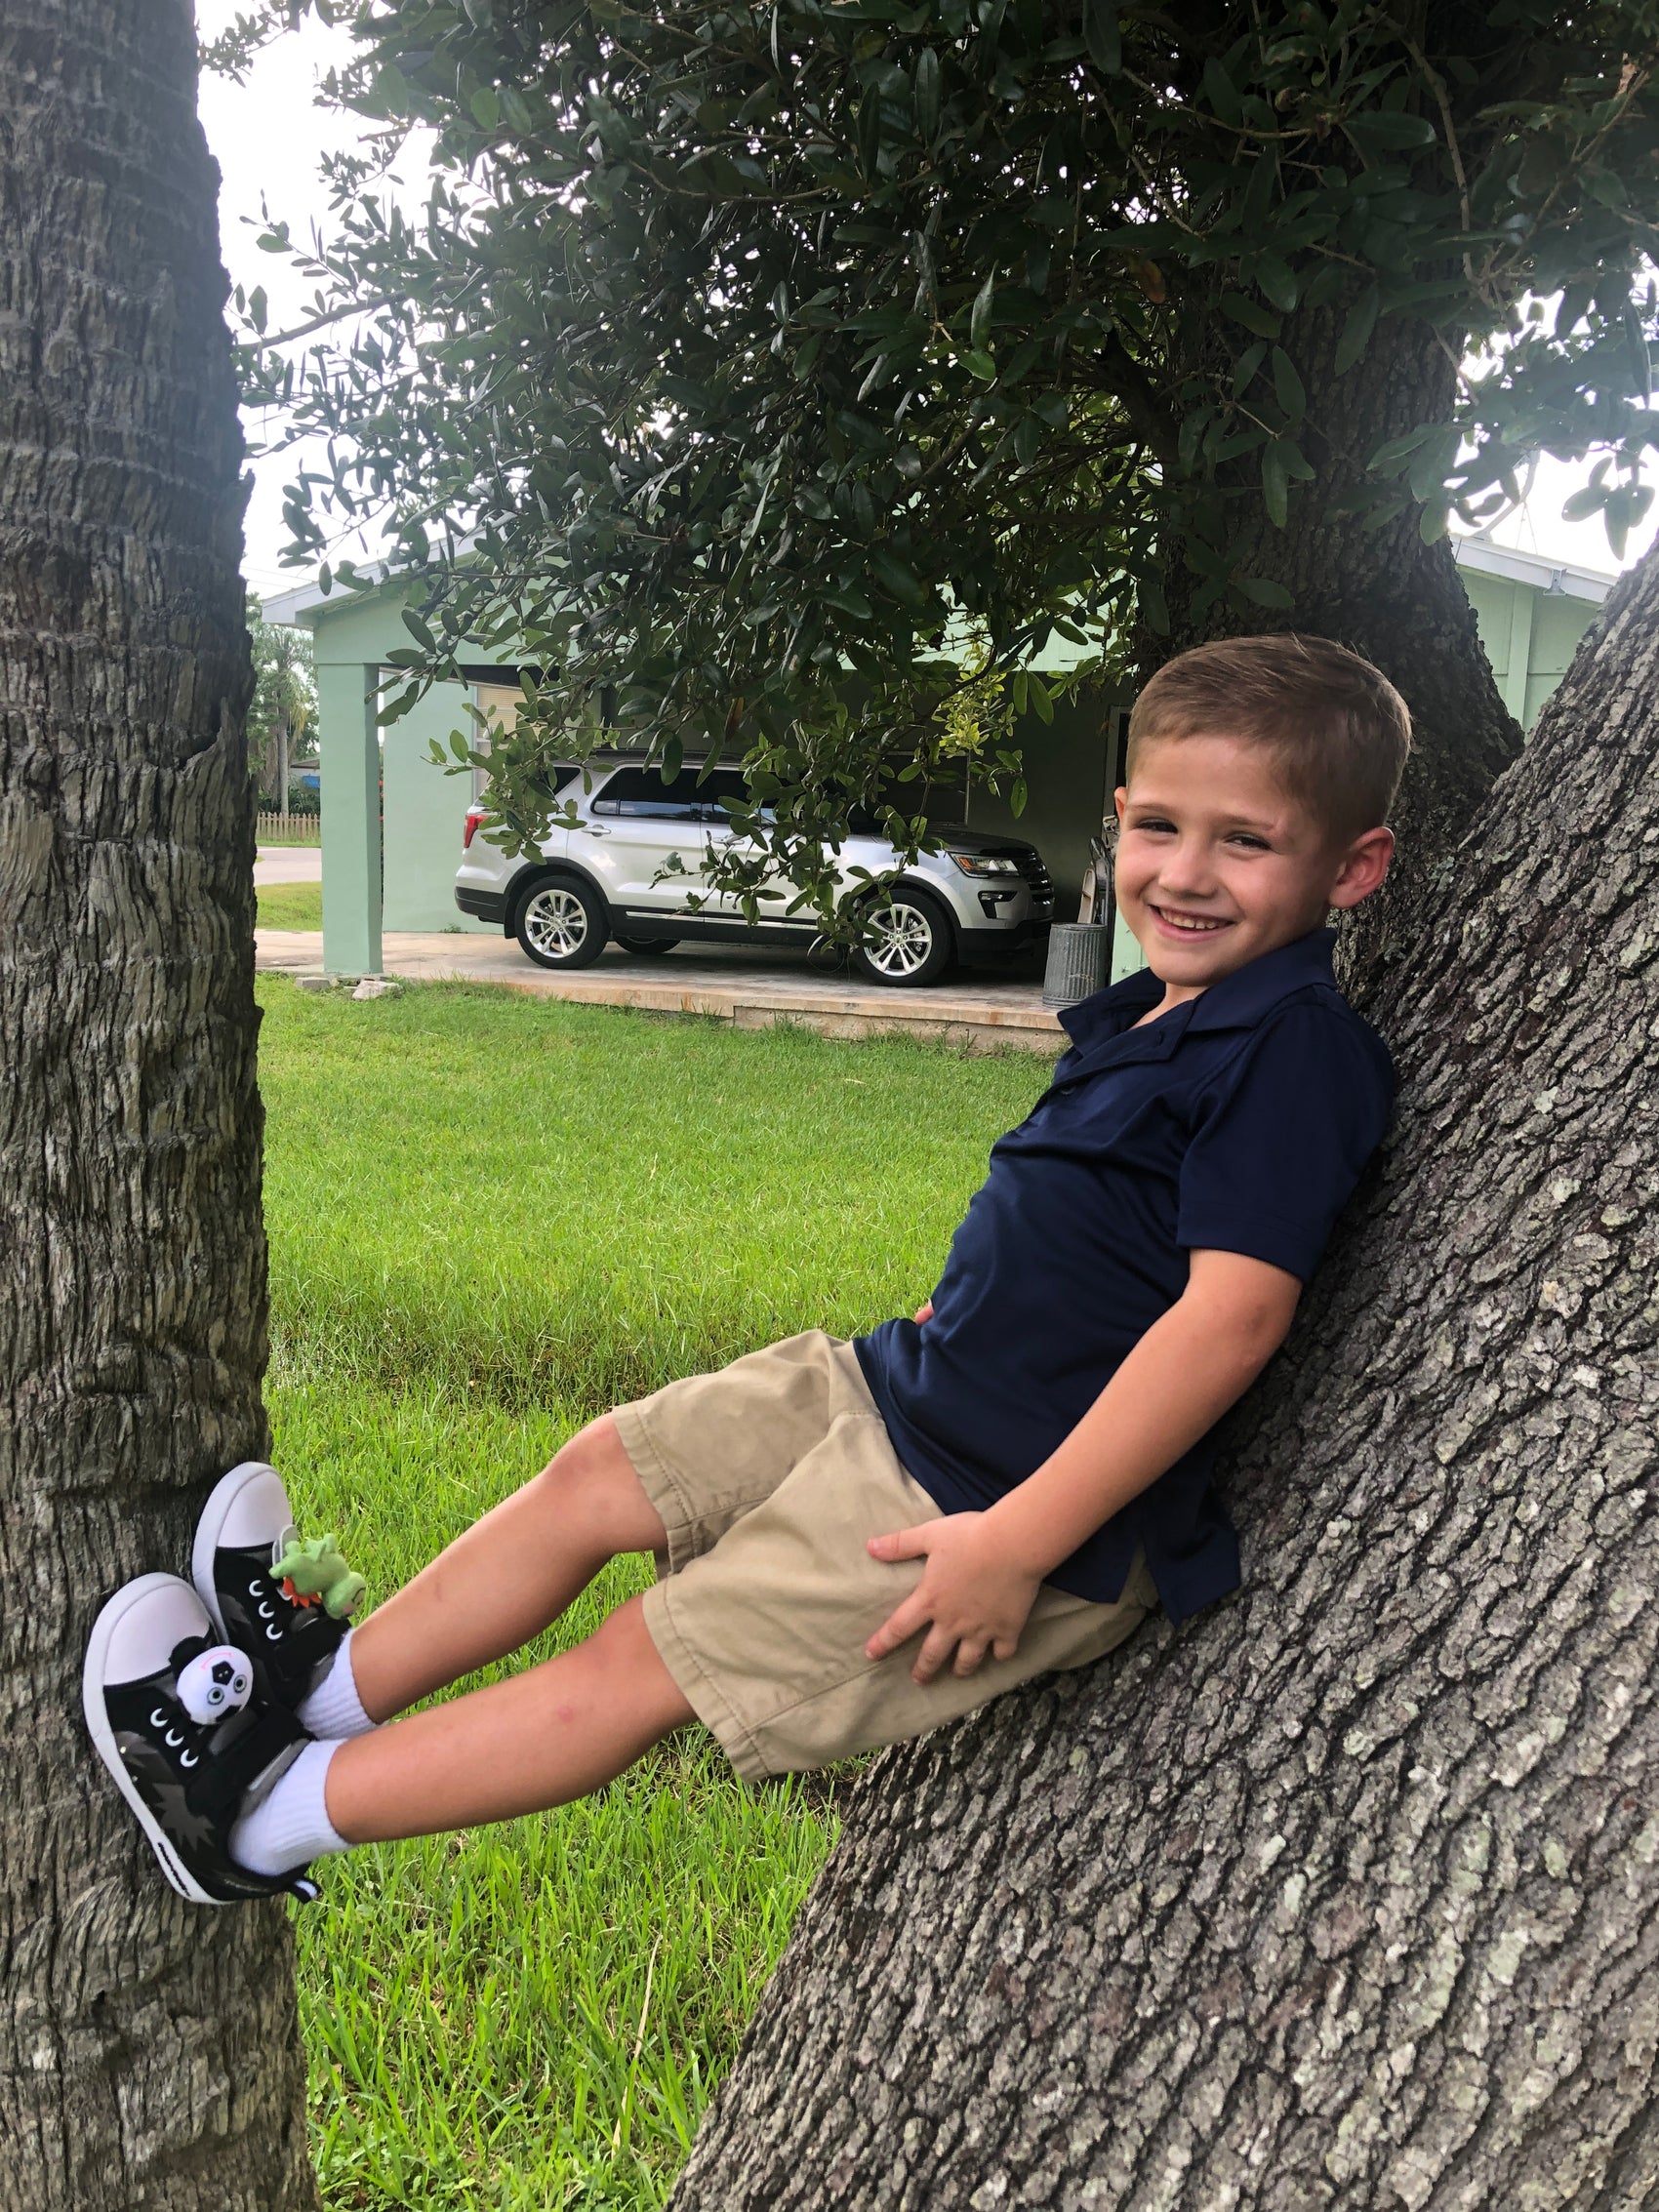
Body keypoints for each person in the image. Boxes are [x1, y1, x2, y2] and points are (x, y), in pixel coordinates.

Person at [84, 632, 1407, 1906]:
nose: (1188, 871)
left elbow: (1229, 1322)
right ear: (1118, 814)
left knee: (641, 1665)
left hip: (990, 1505)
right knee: (605, 1469)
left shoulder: (1293, 1048)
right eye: (1163, 826)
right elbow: (1107, 1223)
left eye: (1248, 842)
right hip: (897, 1387)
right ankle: (315, 1687)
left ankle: (259, 1812)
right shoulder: (1153, 1008)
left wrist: (1019, 1539)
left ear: (1353, 870)